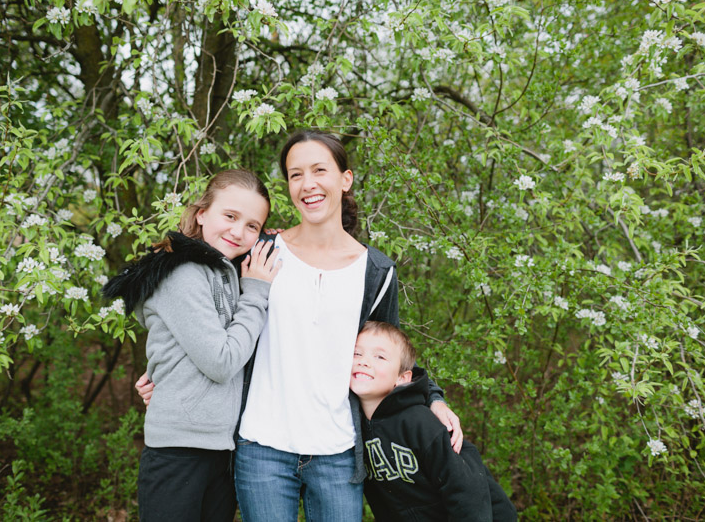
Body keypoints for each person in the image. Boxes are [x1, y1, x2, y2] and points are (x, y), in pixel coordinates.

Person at [137, 130, 462, 521]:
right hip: (260, 449)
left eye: (319, 170)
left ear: (345, 179)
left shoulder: (376, 272)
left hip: (339, 452)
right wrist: (168, 376)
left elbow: (388, 355)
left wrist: (433, 397)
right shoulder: (259, 253)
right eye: (295, 174)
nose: (307, 184)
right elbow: (211, 329)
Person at [103, 170, 281, 522]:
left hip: (221, 447)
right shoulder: (181, 273)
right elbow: (221, 361)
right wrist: (258, 292)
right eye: (229, 216)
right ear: (201, 213)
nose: (238, 231)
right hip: (179, 451)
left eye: (252, 226)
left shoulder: (225, 272)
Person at [352, 321, 518, 521]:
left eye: (380, 356)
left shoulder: (420, 422)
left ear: (403, 378)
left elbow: (466, 487)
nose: (364, 361)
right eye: (356, 353)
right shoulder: (352, 426)